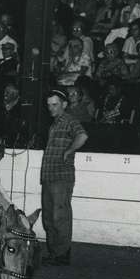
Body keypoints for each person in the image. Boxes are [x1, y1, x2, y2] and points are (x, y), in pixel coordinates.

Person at [40, 89, 88, 266]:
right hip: (49, 176)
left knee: (59, 216)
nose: (51, 108)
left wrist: (69, 150)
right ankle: (55, 253)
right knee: (48, 217)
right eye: (48, 105)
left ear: (64, 105)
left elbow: (82, 135)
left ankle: (62, 254)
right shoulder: (53, 124)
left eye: (55, 104)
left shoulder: (69, 121)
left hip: (61, 176)